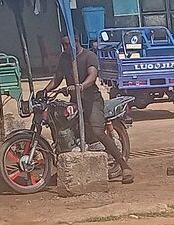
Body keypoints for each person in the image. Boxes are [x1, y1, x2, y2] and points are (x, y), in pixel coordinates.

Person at [44, 34, 133, 184]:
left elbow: (92, 76)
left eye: (68, 44)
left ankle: (125, 166)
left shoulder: (89, 56)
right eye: (64, 44)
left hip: (93, 100)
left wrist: (80, 86)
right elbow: (57, 78)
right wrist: (45, 91)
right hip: (75, 101)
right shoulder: (64, 59)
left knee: (98, 131)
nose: (66, 47)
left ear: (76, 42)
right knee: (63, 126)